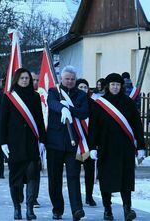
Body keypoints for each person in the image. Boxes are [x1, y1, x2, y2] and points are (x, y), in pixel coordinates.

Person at [88, 73, 145, 221]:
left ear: (121, 86)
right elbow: (93, 127)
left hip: (125, 148)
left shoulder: (128, 102)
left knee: (126, 179)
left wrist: (141, 147)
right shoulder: (99, 103)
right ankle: (107, 209)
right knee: (106, 180)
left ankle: (127, 209)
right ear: (108, 86)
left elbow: (137, 126)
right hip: (106, 147)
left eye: (117, 85)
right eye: (112, 84)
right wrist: (92, 146)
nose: (115, 87)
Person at [0, 68, 46, 220]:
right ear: (16, 80)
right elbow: (3, 122)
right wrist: (3, 142)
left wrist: (42, 141)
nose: (25, 80)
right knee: (15, 178)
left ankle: (30, 209)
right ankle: (17, 208)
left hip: (31, 143)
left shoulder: (35, 96)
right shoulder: (9, 97)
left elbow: (39, 120)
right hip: (14, 144)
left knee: (32, 175)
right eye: (22, 78)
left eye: (27, 78)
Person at [46, 66, 87, 221]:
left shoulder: (81, 95)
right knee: (54, 178)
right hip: (54, 143)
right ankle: (57, 209)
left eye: (72, 79)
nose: (69, 81)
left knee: (73, 177)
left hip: (73, 144)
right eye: (67, 79)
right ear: (61, 79)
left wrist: (69, 108)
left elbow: (84, 112)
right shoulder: (53, 91)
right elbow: (52, 104)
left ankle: (77, 209)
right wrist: (62, 108)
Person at [76, 79, 97, 206]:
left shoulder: (93, 104)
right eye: (81, 87)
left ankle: (89, 196)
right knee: (75, 171)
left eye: (85, 87)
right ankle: (77, 196)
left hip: (89, 143)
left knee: (90, 171)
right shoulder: (73, 102)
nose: (83, 89)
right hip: (77, 143)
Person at [31, 71, 42, 208]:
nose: (35, 82)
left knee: (35, 169)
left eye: (37, 80)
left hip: (38, 138)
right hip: (22, 140)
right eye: (32, 79)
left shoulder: (39, 95)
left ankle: (34, 197)